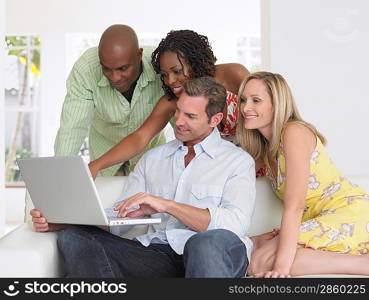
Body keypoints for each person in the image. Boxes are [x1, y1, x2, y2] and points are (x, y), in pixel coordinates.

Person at [31, 77, 256, 278]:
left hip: (213, 256)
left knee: (206, 243)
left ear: (215, 119)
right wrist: (65, 221)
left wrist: (167, 205)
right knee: (75, 237)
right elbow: (121, 220)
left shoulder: (237, 161)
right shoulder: (154, 159)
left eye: (190, 116)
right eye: (178, 111)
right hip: (158, 257)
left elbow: (234, 225)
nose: (178, 121)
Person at [236, 71, 369, 277]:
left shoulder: (294, 132)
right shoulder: (263, 152)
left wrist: (281, 269)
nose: (245, 108)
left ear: (277, 105)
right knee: (250, 248)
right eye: (243, 100)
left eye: (256, 100)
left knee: (260, 264)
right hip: (317, 221)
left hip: (349, 213)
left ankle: (363, 265)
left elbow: (295, 206)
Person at [88, 29, 260, 179]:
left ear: (195, 63)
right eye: (164, 74)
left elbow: (266, 112)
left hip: (260, 159)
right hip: (222, 170)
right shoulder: (172, 101)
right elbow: (140, 138)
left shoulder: (232, 74)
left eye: (177, 71)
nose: (170, 81)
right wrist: (96, 165)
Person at [54, 24, 166, 176]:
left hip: (152, 157)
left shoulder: (162, 66)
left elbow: (182, 115)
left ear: (139, 55)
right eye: (106, 69)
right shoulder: (86, 69)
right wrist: (60, 173)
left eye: (122, 69)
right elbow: (72, 127)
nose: (115, 78)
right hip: (104, 158)